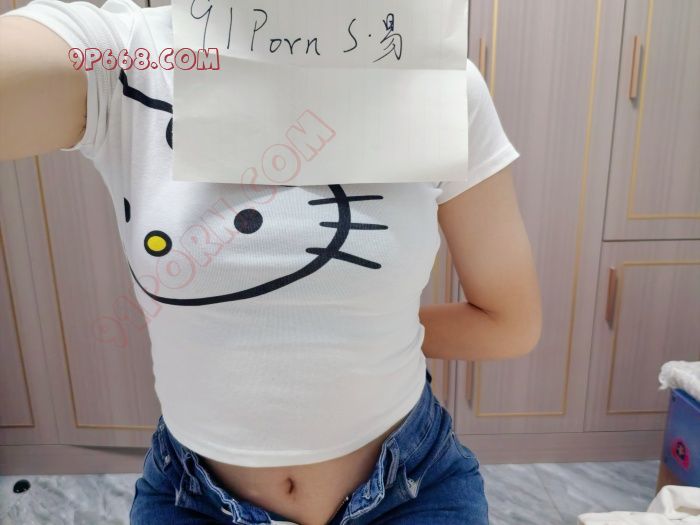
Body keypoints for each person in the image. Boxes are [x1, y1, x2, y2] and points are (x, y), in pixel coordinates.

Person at [0, 1, 542, 523]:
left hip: (411, 487)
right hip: (196, 497)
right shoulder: (130, 57)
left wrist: (371, 331)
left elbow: (507, 323)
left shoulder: (437, 81)